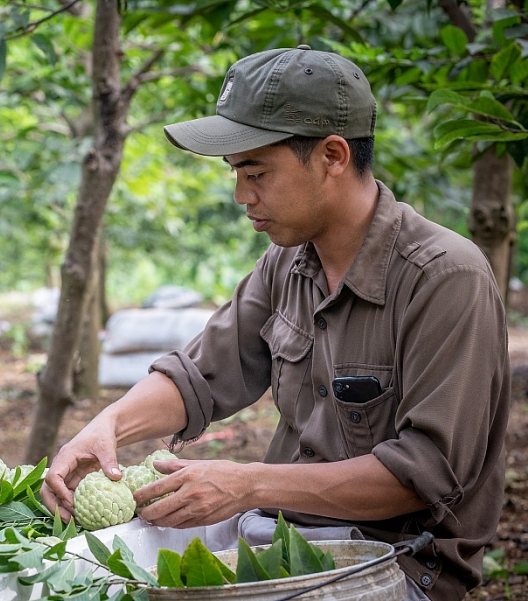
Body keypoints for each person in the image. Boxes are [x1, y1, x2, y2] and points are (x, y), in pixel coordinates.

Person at [41, 45, 510, 601]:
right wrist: (109, 427)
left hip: (391, 564)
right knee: (76, 573)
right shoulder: (288, 261)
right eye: (236, 173)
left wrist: (247, 484)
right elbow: (201, 374)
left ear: (333, 155)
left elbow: (424, 474)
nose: (242, 196)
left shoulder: (445, 278)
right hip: (280, 535)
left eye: (256, 171)